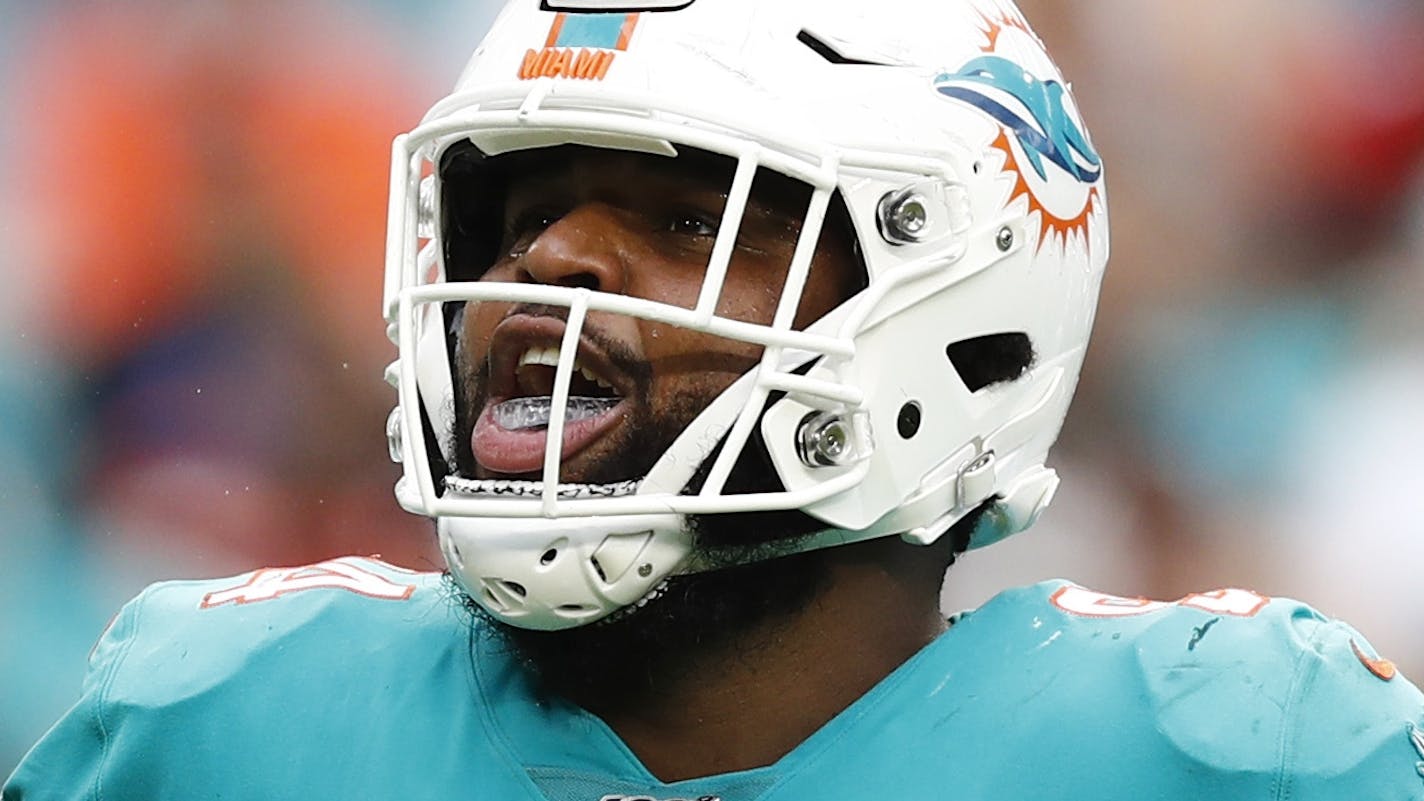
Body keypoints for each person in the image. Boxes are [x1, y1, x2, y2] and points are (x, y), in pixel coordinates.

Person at [7, 0, 1423, 797]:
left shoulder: (1230, 756)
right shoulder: (222, 723)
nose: (546, 264)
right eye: (523, 211)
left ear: (961, 328)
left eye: (687, 222)